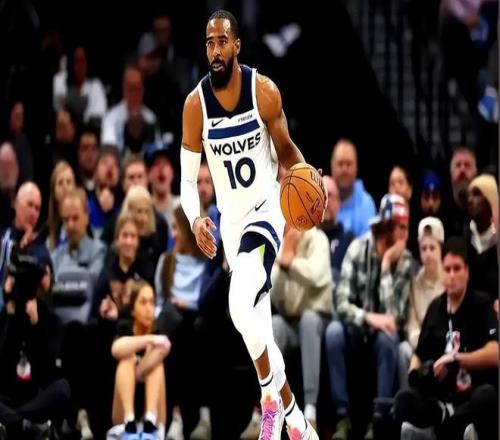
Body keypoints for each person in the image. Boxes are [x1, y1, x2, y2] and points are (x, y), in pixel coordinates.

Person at [179, 10, 324, 440]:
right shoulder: (195, 106)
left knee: (239, 304)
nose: (215, 50)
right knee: (254, 326)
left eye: (222, 41)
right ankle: (295, 422)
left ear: (237, 45)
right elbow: (187, 181)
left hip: (266, 211)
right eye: (210, 42)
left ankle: (272, 404)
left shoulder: (264, 91)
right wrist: (195, 218)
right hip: (231, 224)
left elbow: (288, 152)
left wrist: (311, 181)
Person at [394, 237, 499, 440]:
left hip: (471, 394)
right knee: (403, 399)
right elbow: (418, 354)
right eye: (447, 269)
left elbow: (495, 353)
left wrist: (457, 360)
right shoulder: (435, 308)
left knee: (487, 396)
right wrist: (416, 373)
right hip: (438, 398)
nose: (451, 275)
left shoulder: (481, 303)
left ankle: (441, 428)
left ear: (466, 271)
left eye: (457, 269)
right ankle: (443, 423)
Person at [110, 281, 170, 440]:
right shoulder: (125, 327)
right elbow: (116, 349)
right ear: (133, 309)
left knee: (156, 361)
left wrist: (138, 372)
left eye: (152, 302)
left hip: (155, 411)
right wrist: (149, 339)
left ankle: (150, 422)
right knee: (126, 359)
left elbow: (165, 346)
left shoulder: (159, 330)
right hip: (123, 412)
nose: (149, 308)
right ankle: (129, 422)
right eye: (143, 303)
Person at [398, 217, 444, 388]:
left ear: (441, 248)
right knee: (403, 349)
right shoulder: (415, 283)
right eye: (424, 248)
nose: (428, 253)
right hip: (421, 346)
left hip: (445, 346)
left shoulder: (450, 279)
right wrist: (423, 345)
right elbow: (412, 324)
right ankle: (407, 398)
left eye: (432, 247)